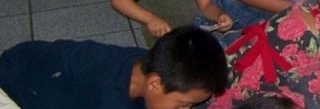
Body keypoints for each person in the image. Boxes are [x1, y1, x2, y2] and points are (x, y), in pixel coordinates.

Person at [0, 26, 228, 109]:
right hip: (12, 88)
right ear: (155, 83)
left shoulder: (148, 63)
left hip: (36, 65)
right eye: (182, 106)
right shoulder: (108, 96)